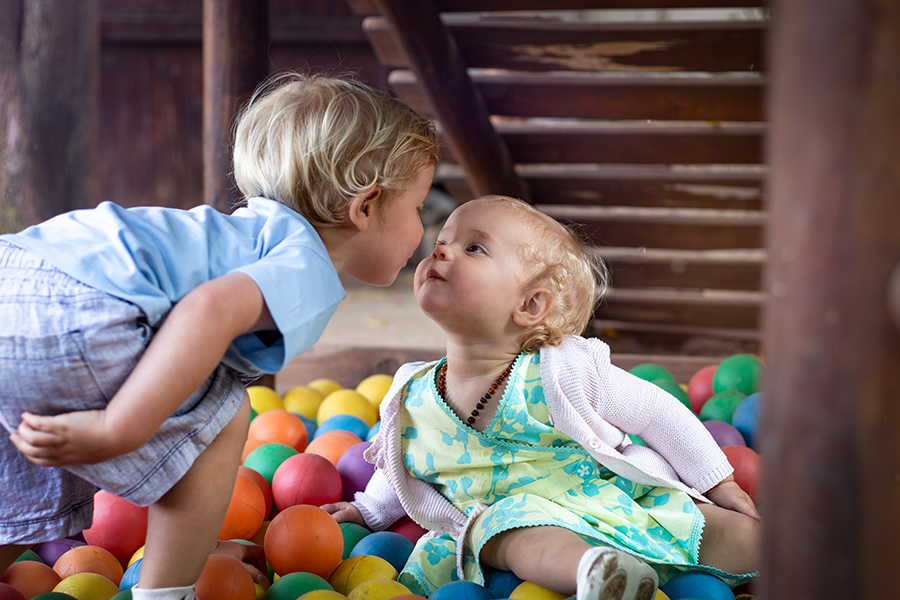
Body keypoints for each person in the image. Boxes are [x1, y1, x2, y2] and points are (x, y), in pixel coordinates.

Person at [0, 72, 439, 599]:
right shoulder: (304, 260)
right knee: (224, 418)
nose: (424, 231)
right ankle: (166, 591)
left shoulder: (236, 236)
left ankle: (178, 551)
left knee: (33, 478)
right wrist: (119, 428)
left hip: (18, 281)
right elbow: (209, 310)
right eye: (417, 207)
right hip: (78, 311)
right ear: (364, 208)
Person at [324, 195, 761, 600]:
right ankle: (601, 574)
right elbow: (398, 461)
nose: (441, 250)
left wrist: (715, 481)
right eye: (442, 241)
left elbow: (656, 412)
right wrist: (369, 511)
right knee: (510, 532)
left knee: (721, 530)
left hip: (610, 502)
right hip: (511, 523)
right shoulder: (411, 394)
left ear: (531, 306)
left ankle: (811, 558)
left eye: (474, 248)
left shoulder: (562, 370)